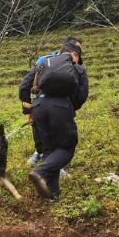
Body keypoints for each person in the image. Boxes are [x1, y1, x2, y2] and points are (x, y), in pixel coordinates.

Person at [23, 42, 88, 200]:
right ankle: (40, 172)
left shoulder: (43, 64)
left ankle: (51, 194)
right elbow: (81, 95)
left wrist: (28, 109)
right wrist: (68, 108)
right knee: (66, 148)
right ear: (73, 54)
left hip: (38, 106)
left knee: (49, 149)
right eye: (77, 57)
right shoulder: (76, 67)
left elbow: (24, 86)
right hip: (59, 106)